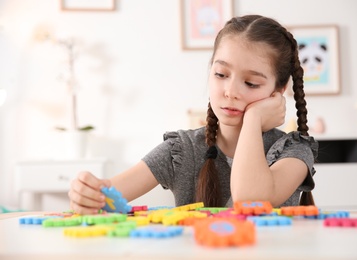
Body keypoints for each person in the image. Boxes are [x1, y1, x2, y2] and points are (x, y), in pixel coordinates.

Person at [68, 14, 318, 215]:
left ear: (278, 91)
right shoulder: (182, 149)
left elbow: (250, 200)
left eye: (251, 83)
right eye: (221, 75)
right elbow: (105, 196)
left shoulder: (293, 150)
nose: (230, 91)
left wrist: (253, 119)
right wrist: (86, 193)